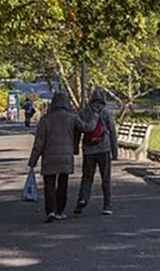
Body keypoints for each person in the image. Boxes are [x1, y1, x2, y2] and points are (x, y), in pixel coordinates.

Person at [27, 92, 96, 223]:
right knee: (63, 183)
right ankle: (59, 211)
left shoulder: (45, 120)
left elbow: (39, 143)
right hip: (66, 156)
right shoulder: (71, 117)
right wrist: (94, 117)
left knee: (49, 184)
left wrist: (33, 161)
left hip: (49, 157)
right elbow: (86, 128)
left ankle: (50, 211)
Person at [74, 87, 118, 216]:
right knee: (105, 178)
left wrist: (75, 146)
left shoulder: (84, 112)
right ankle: (107, 205)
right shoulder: (106, 112)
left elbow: (77, 130)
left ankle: (83, 198)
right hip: (104, 148)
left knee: (87, 177)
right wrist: (114, 150)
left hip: (88, 149)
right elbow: (112, 132)